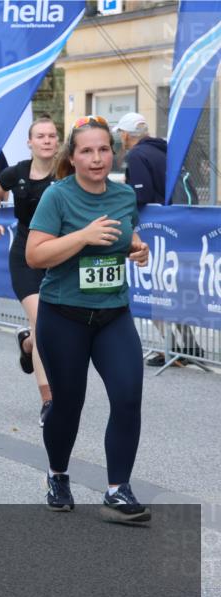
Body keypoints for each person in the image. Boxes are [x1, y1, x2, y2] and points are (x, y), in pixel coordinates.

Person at [25, 115, 151, 524]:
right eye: (87, 151)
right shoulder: (57, 197)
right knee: (67, 404)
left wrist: (136, 247)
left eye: (103, 149)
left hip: (113, 314)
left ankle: (118, 489)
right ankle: (58, 474)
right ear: (73, 157)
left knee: (129, 394)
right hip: (64, 316)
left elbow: (124, 236)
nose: (96, 158)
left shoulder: (123, 196)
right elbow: (35, 255)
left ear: (112, 153)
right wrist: (82, 236)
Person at [0, 115, 59, 425]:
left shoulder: (67, 173)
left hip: (59, 255)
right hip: (26, 256)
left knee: (50, 326)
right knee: (43, 320)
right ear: (29, 142)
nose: (46, 140)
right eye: (40, 136)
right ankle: (49, 399)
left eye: (52, 136)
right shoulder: (17, 173)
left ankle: (28, 344)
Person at [112, 112, 203, 366]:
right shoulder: (167, 149)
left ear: (126, 135)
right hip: (180, 227)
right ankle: (189, 346)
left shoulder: (137, 155)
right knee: (173, 288)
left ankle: (172, 348)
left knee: (152, 289)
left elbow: (140, 196)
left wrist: (120, 194)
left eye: (121, 134)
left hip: (155, 232)